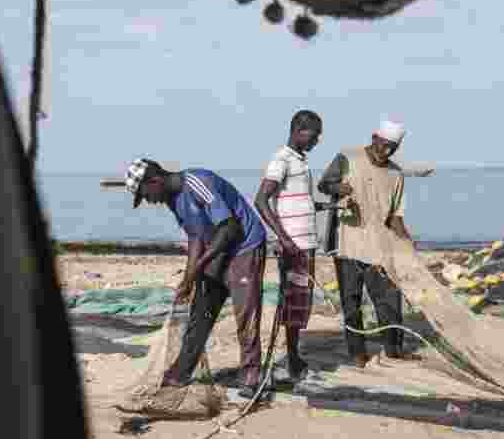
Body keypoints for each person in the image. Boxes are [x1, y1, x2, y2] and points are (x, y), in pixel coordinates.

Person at [126, 158, 268, 398]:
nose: (148, 201)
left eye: (145, 194)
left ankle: (251, 374)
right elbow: (195, 238)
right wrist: (189, 279)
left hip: (244, 246)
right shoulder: (172, 200)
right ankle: (182, 371)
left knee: (245, 313)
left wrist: (198, 267)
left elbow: (231, 228)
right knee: (200, 310)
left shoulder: (197, 182)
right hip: (218, 247)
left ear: (155, 180)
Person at [317, 120, 421, 368]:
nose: (386, 152)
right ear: (374, 138)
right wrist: (338, 188)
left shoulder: (396, 173)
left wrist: (407, 243)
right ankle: (357, 353)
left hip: (381, 250)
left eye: (392, 148)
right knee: (351, 304)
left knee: (389, 301)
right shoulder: (347, 157)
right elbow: (324, 184)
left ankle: (394, 350)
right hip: (347, 246)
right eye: (384, 145)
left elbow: (395, 216)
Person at [254, 110, 323, 381]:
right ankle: (292, 360)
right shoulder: (281, 159)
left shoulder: (300, 161)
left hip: (305, 244)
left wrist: (326, 206)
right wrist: (284, 239)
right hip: (293, 247)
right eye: (314, 136)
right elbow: (261, 200)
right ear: (298, 130)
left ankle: (294, 357)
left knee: (301, 301)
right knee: (293, 302)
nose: (317, 141)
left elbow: (297, 201)